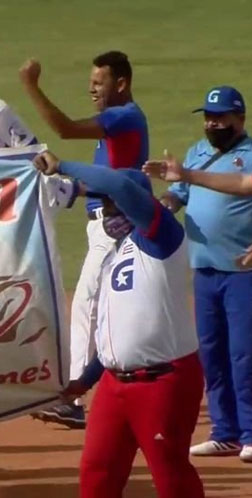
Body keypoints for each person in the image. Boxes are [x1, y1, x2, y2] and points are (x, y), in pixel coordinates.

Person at [35, 150, 204, 498]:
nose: (107, 211)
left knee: (171, 478)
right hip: (113, 385)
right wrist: (85, 381)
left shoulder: (162, 237)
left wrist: (63, 165)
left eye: (112, 203)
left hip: (162, 382)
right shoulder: (116, 253)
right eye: (105, 204)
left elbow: (117, 185)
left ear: (134, 203)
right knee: (97, 473)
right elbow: (115, 334)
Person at [19, 51, 149, 428]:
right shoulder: (117, 124)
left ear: (121, 83)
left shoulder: (123, 117)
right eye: (91, 81)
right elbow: (106, 175)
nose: (91, 88)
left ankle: (72, 399)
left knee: (88, 306)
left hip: (113, 227)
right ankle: (103, 382)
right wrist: (73, 188)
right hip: (103, 223)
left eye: (99, 82)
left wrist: (30, 86)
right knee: (100, 307)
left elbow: (64, 129)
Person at [145, 86, 252, 462]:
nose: (212, 124)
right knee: (211, 352)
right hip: (204, 268)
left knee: (244, 354)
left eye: (220, 117)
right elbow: (179, 193)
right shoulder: (197, 152)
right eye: (208, 117)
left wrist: (186, 175)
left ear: (240, 118)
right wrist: (165, 204)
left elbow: (245, 186)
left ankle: (251, 432)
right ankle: (225, 432)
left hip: (243, 271)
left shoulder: (250, 155)